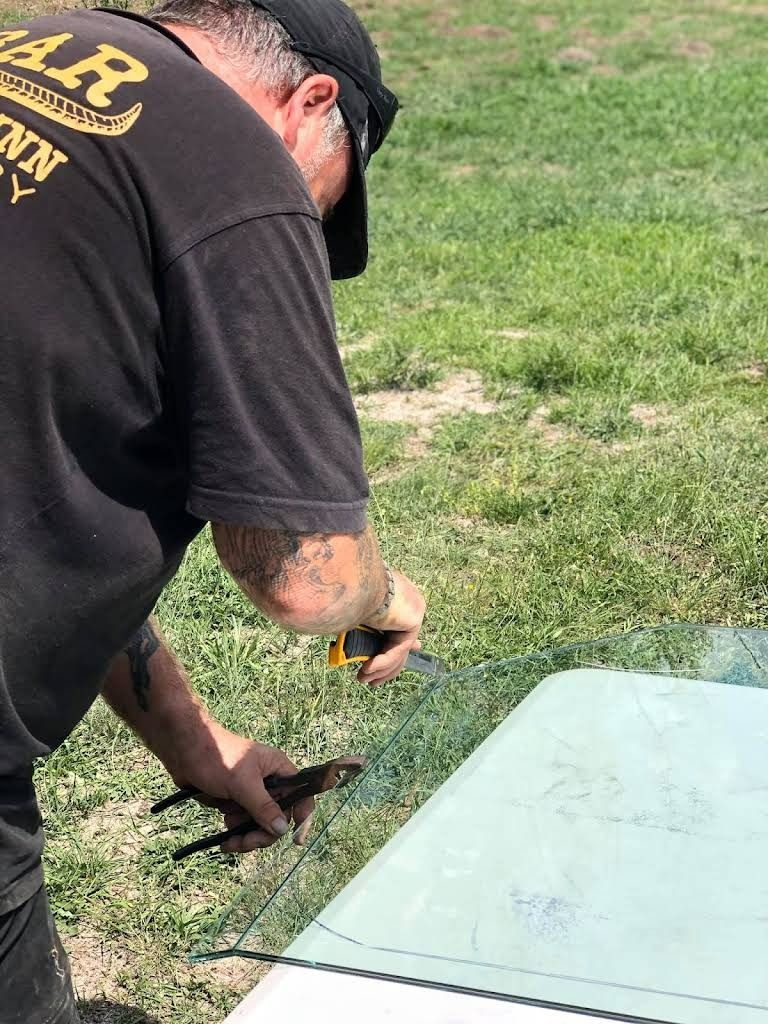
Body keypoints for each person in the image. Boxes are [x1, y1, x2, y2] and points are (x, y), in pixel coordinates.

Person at [0, 1, 426, 1020]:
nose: (313, 221)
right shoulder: (233, 162)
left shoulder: (31, 50)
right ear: (311, 104)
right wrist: (382, 596)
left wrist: (199, 746)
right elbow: (305, 572)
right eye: (331, 194)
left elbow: (46, 508)